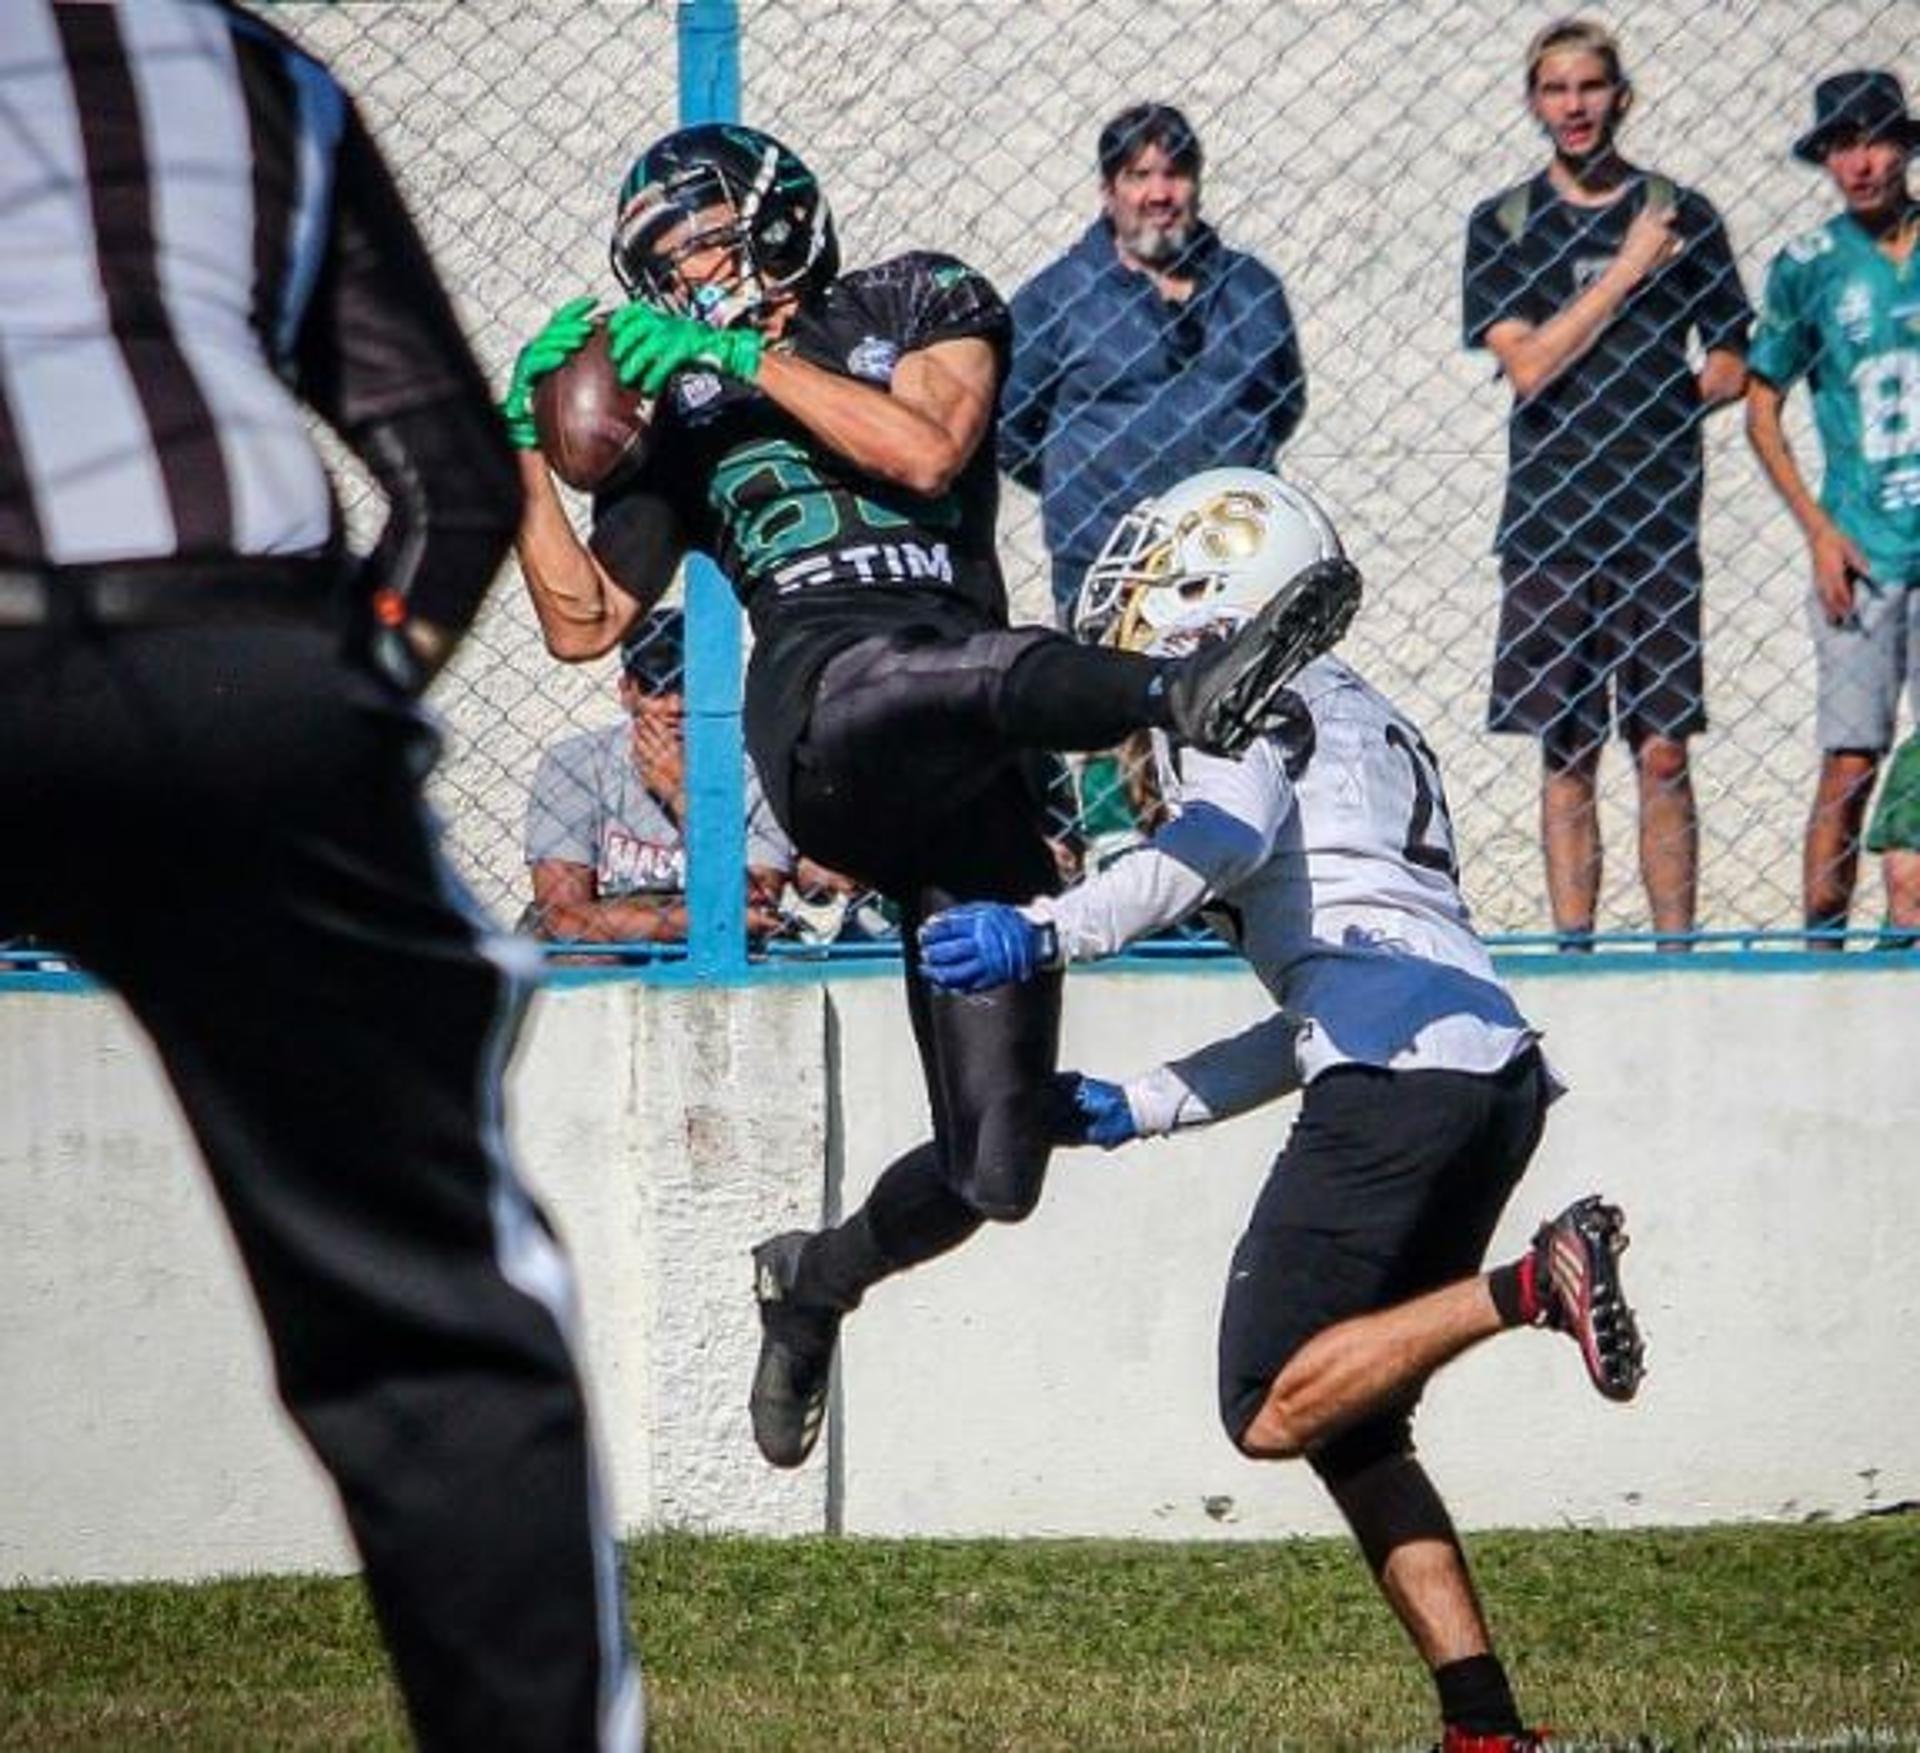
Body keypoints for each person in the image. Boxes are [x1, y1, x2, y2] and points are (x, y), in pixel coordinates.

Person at [499, 123, 1361, 1469]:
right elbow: (581, 619)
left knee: (993, 1169)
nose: (692, 278)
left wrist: (746, 358)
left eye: (709, 240)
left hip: (975, 746)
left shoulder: (913, 297)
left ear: (779, 216)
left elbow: (926, 451)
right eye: (667, 263)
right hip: (827, 723)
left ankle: (814, 1282)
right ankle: (1176, 693)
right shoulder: (688, 415)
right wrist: (519, 455)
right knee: (912, 667)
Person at [0, 6, 641, 1749]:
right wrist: (338, 704)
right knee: (426, 1314)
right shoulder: (245, 65)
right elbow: (446, 475)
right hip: (230, 654)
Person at [918, 469, 1646, 1753]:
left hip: (1403, 1076)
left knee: (1265, 1402)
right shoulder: (1357, 707)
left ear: (1218, 579)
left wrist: (1042, 933)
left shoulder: (1235, 698)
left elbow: (1214, 844)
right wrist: (1139, 1106)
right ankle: (1484, 1726)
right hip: (1486, 1068)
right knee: (1349, 1423)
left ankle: (1537, 1284)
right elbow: (1332, 993)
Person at [1463, 18, 1752, 951]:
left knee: (1664, 750)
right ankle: (1574, 949)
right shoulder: (1506, 223)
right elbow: (1531, 366)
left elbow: (1732, 356)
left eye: (1591, 87)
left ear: (1620, 96)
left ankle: (1676, 950)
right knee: (1567, 752)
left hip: (1658, 518)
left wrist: (1672, 407)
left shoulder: (1682, 210)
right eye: (1556, 90)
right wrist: (1627, 270)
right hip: (1550, 523)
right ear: (1534, 101)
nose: (1575, 107)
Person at [999, 101, 1307, 621]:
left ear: (1197, 183)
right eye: (1139, 176)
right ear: (1108, 190)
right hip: (1111, 570)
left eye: (1176, 174)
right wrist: (1089, 491)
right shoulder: (1055, 298)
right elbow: (1009, 430)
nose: (1160, 194)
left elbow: (1283, 404)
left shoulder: (1252, 287)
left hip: (1242, 562)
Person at [1744, 70, 1920, 950]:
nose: (1861, 162)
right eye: (1842, 145)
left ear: (1906, 147)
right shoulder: (1808, 267)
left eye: (1876, 140)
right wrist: (1817, 529)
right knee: (1851, 761)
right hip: (1865, 545)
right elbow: (1760, 403)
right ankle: (1822, 949)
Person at [523, 606, 797, 945]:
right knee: (586, 955)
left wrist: (682, 796)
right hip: (611, 950)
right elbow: (564, 918)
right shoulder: (575, 763)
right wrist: (703, 921)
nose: (675, 707)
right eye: (656, 688)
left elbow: (755, 904)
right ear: (627, 691)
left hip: (687, 942)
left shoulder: (755, 766)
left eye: (689, 687)